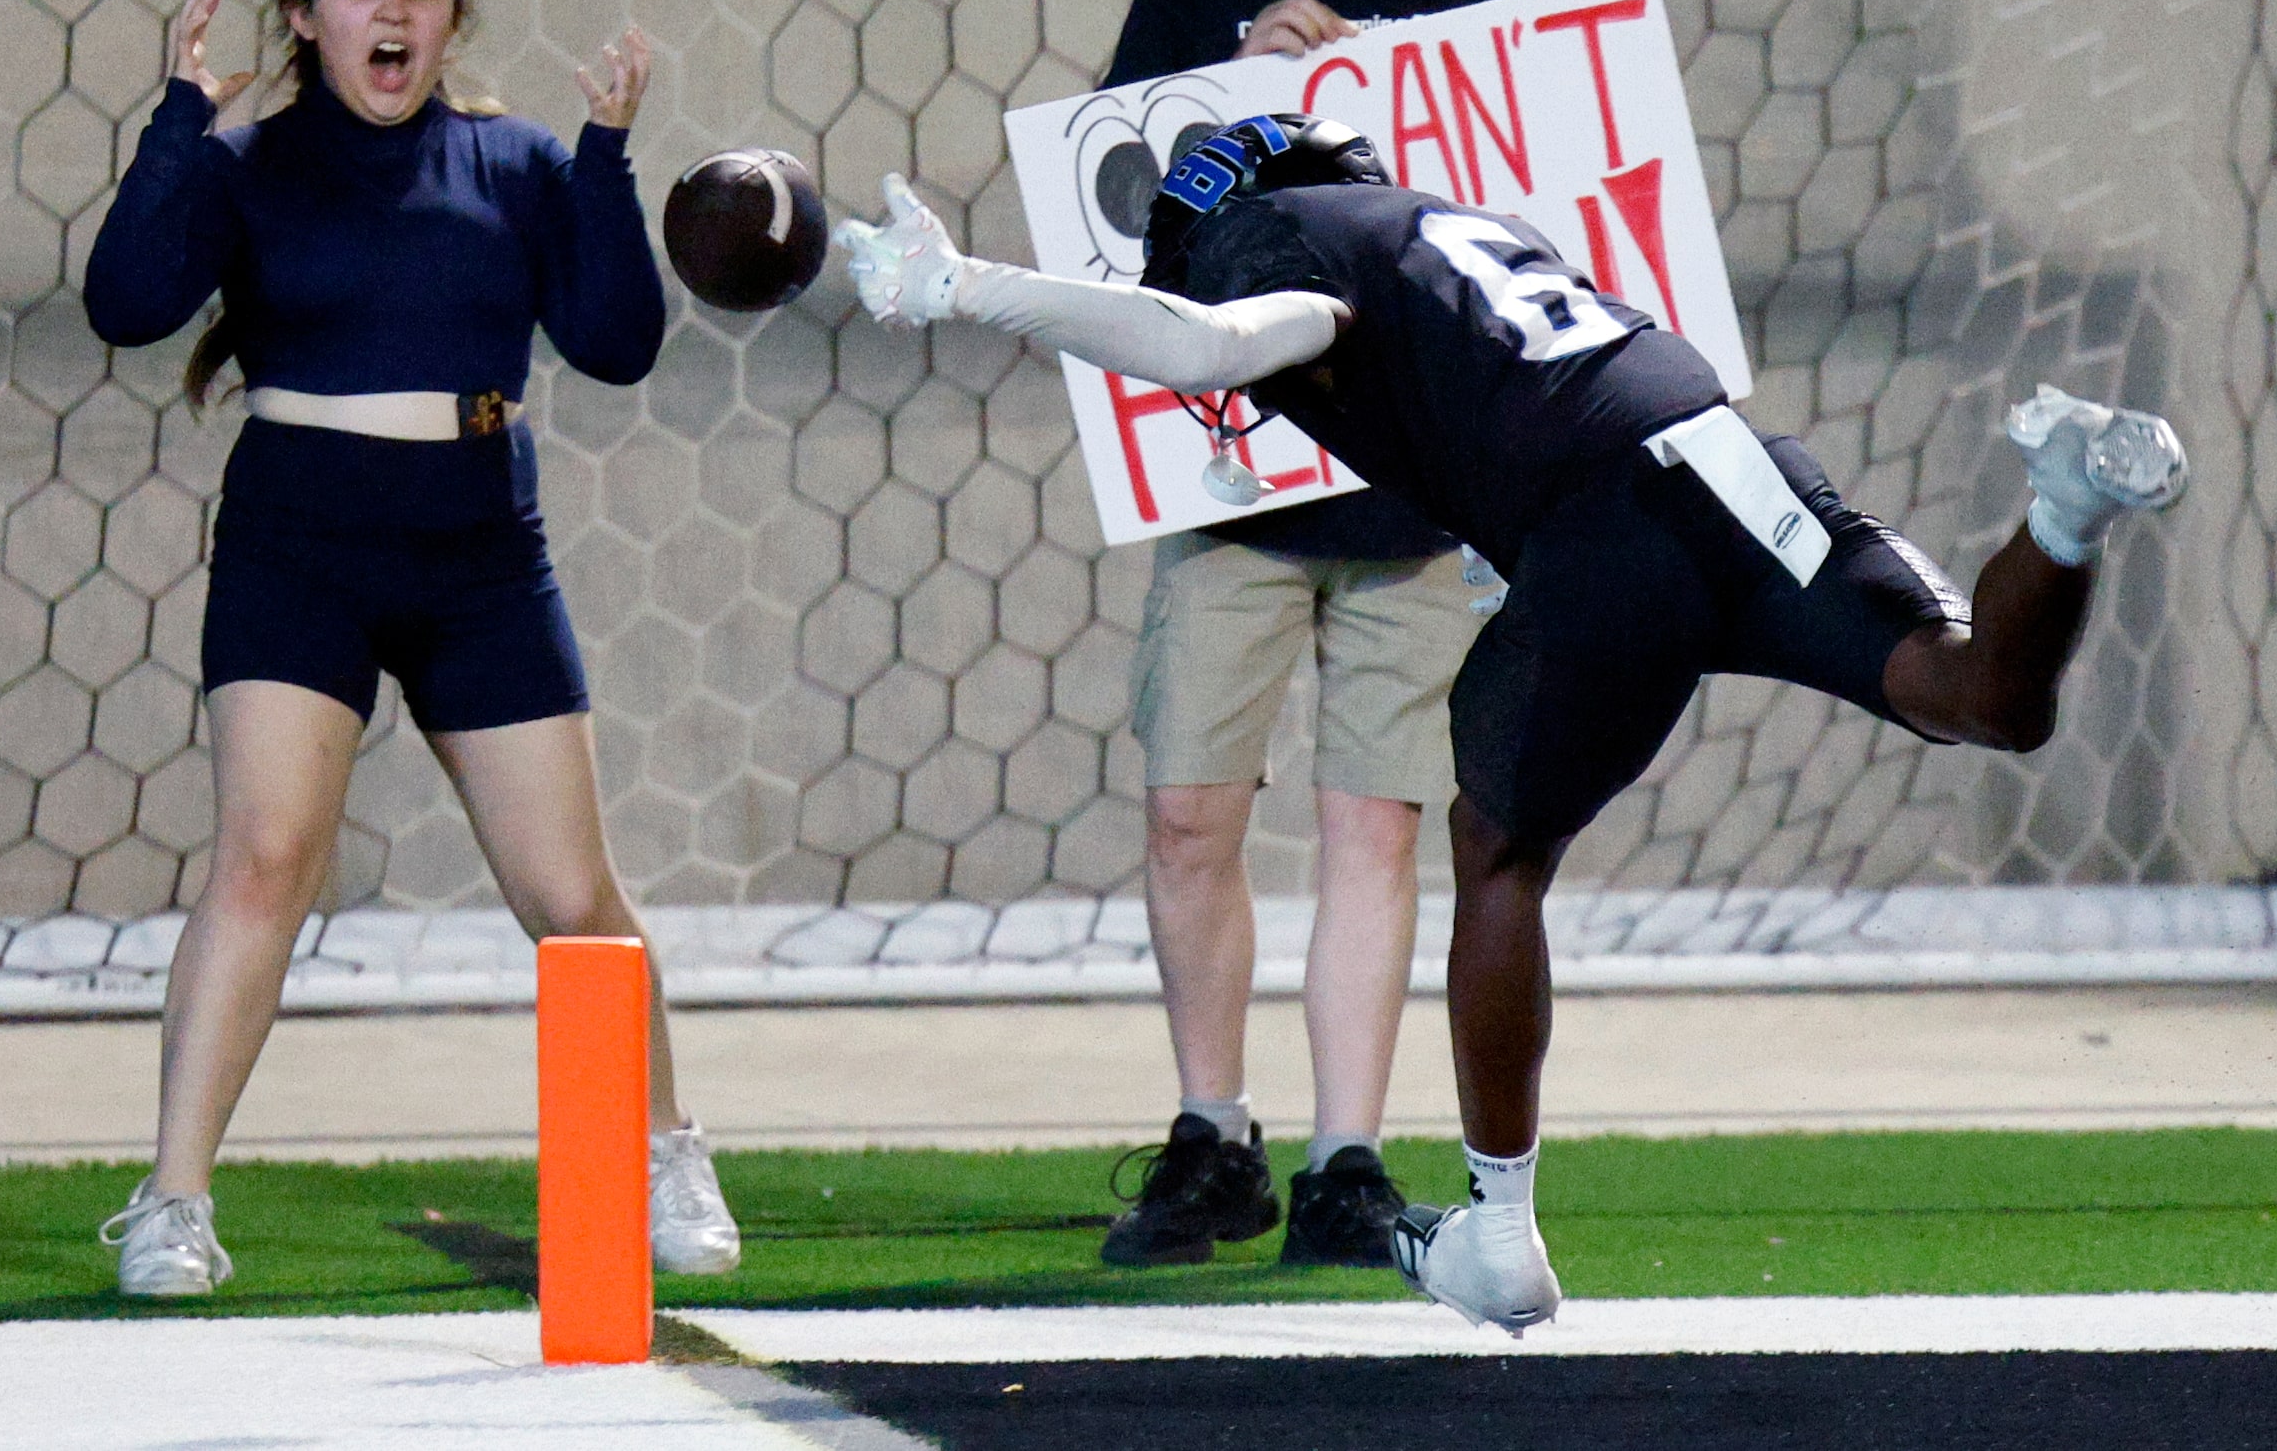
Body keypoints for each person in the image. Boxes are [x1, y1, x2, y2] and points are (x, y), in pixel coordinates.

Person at [836, 114, 2187, 1333]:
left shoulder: (1278, 234)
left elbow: (1210, 343)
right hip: (1726, 459)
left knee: (1496, 844)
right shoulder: (1453, 226)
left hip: (1601, 527)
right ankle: (2064, 512)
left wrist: (967, 288)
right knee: (1971, 692)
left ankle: (1496, 1228)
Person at [81, 0, 740, 1296]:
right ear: (308, 17)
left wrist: (610, 157)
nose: (393, 14)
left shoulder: (515, 163)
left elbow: (617, 342)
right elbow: (125, 301)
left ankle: (663, 1149)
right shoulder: (248, 161)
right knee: (263, 857)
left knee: (570, 891)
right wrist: (180, 124)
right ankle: (172, 1199)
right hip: (297, 541)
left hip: (477, 552)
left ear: (450, 20)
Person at [1093, 0, 1565, 1271]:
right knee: (1184, 811)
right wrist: (1235, 91)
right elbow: (1124, 223)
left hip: (1423, 485)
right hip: (1238, 474)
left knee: (1375, 819)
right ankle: (1208, 1130)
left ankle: (1345, 1160)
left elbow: (1556, 242)